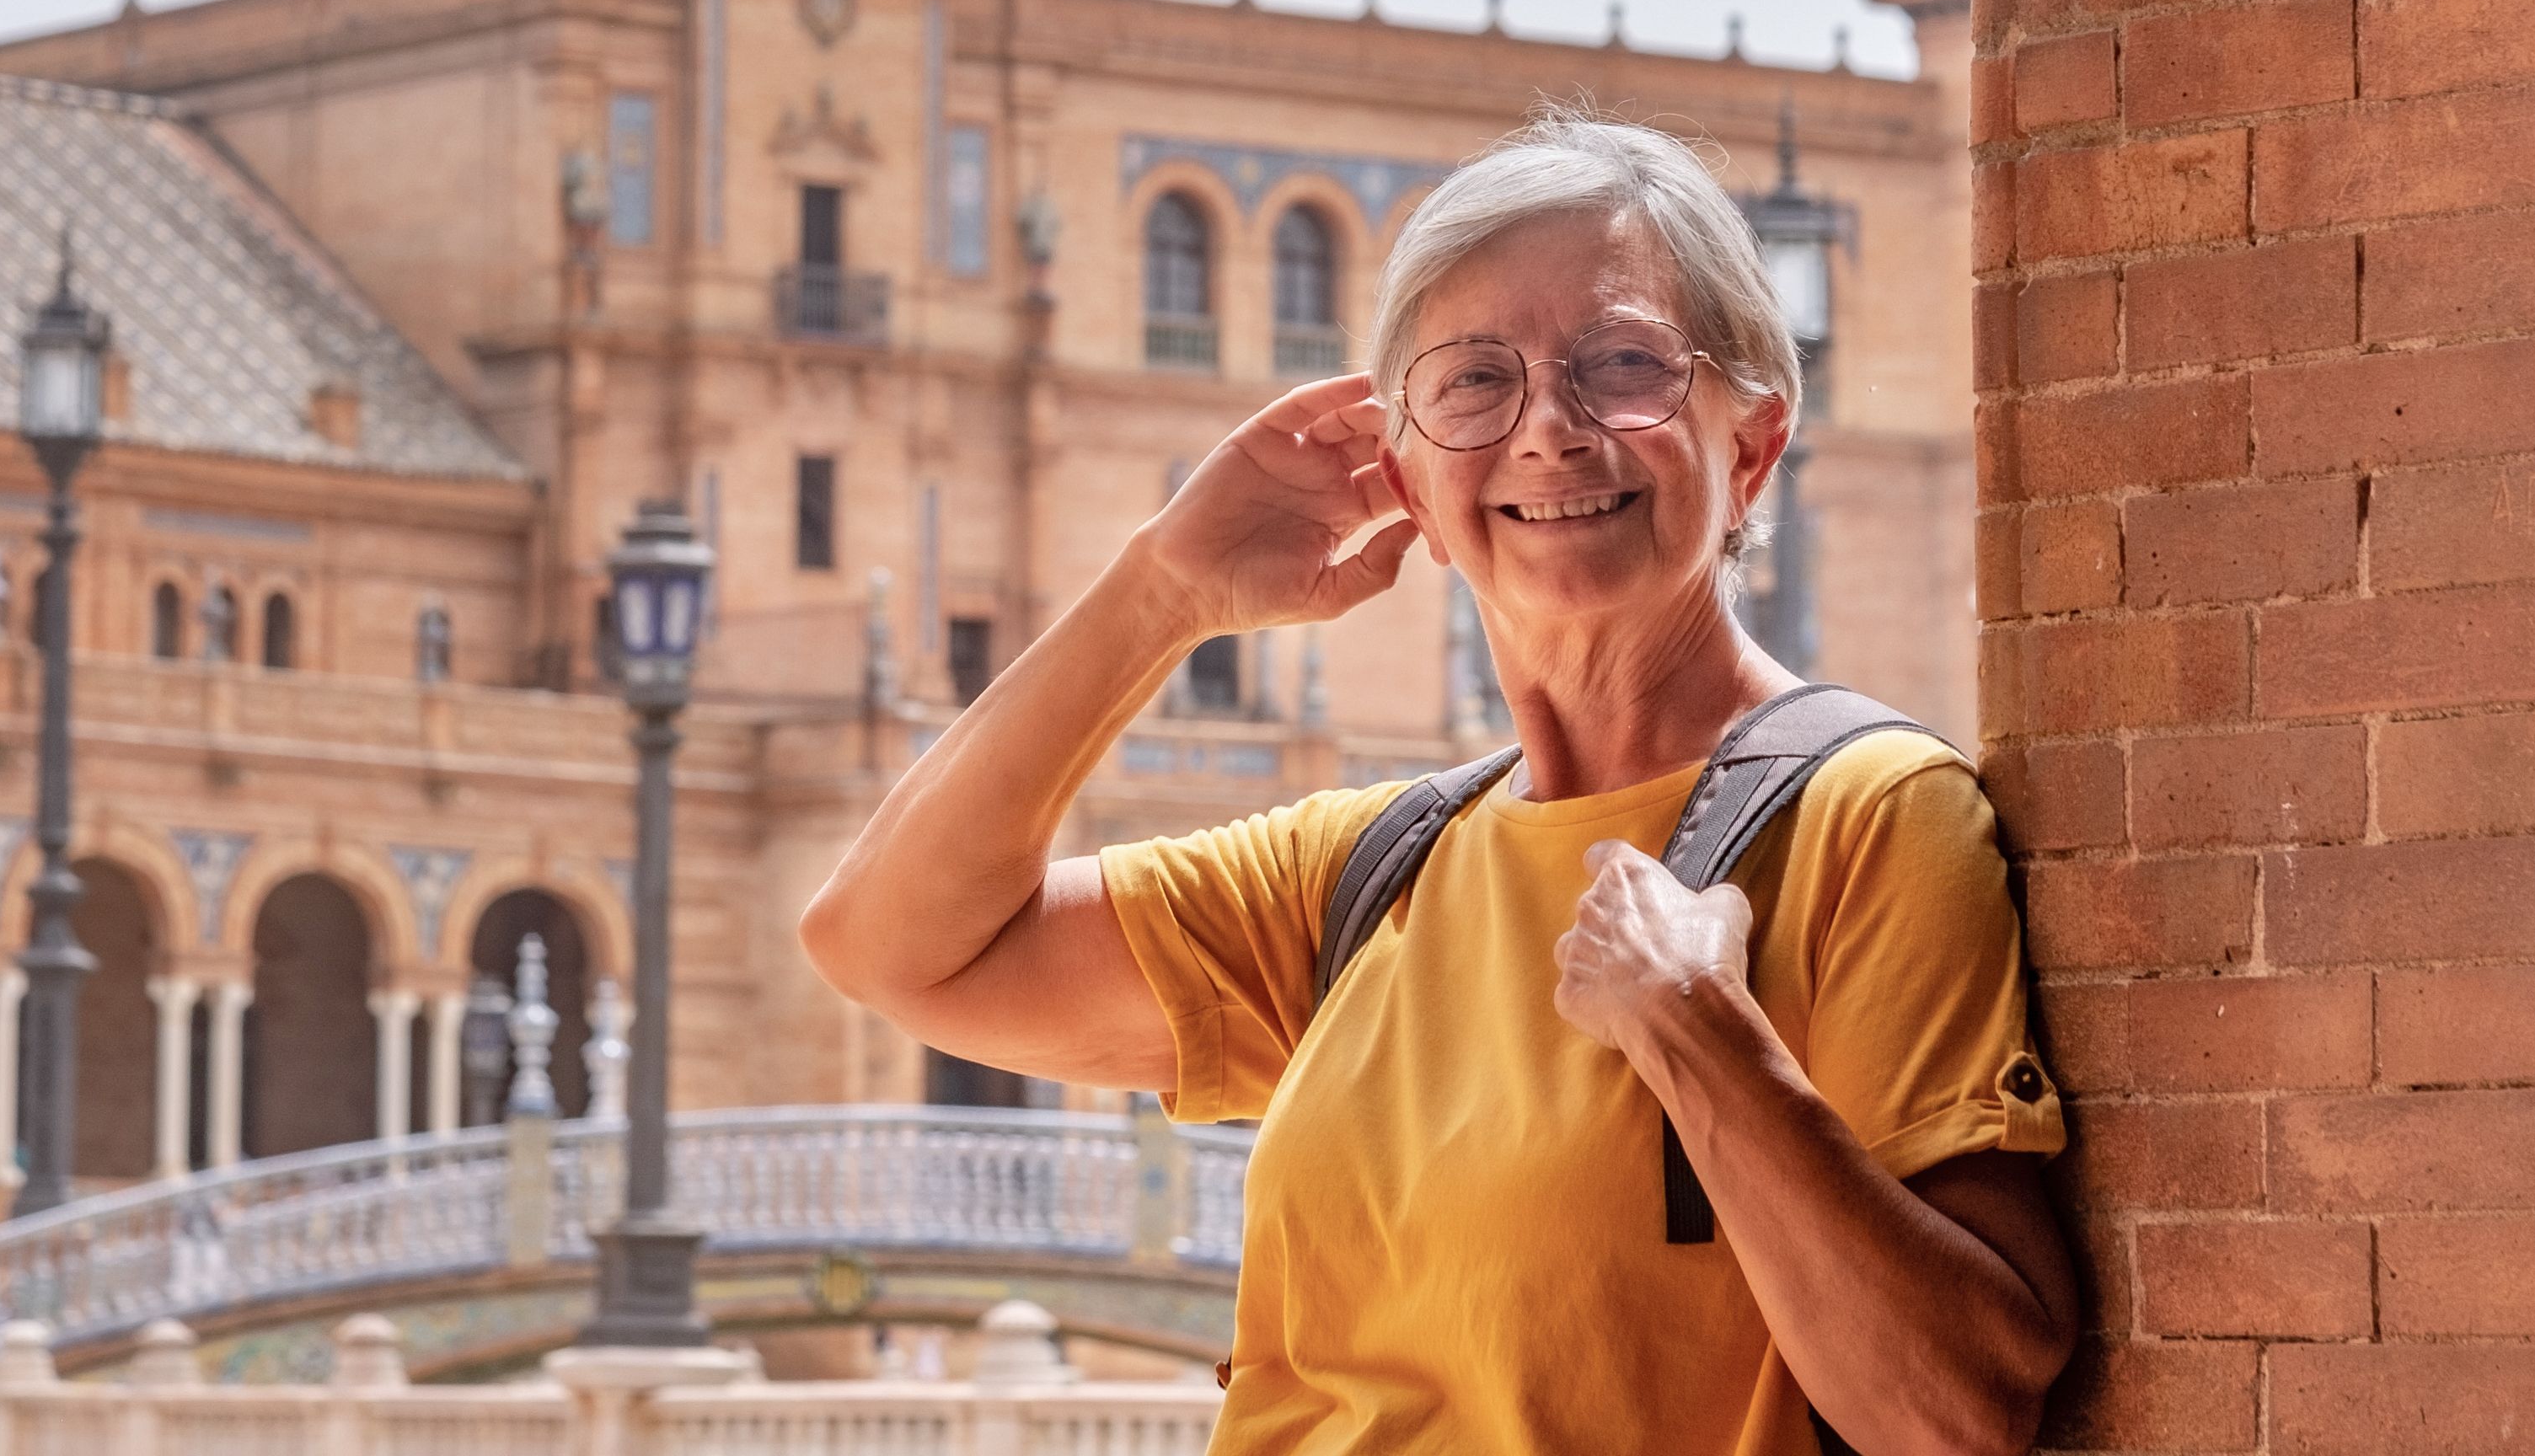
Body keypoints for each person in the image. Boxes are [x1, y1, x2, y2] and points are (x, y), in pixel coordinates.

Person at [802, 112, 2078, 1456]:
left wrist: (1705, 1039)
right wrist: (1159, 593)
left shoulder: (1866, 819)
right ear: (1404, 472)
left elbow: (1957, 1415)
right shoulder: (1369, 877)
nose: (1548, 431)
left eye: (1622, 367)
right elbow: (892, 947)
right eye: (1474, 384)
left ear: (1752, 446)